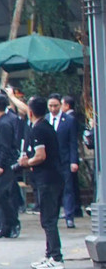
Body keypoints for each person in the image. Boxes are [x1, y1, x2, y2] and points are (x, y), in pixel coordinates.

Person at [19, 96, 64, 269]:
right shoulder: (45, 126)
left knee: (48, 219)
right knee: (47, 218)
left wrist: (26, 162)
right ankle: (49, 254)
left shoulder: (38, 130)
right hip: (52, 178)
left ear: (30, 112)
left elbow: (40, 156)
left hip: (48, 180)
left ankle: (56, 257)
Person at [0, 93, 23, 240]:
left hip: (5, 165)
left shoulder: (4, 123)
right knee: (0, 195)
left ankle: (13, 223)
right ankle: (5, 227)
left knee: (3, 195)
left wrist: (1, 164)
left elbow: (6, 146)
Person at [55, 95, 80, 227]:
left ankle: (69, 216)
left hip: (65, 160)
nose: (53, 108)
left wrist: (73, 161)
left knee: (68, 189)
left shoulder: (69, 120)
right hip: (51, 162)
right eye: (50, 106)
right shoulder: (47, 119)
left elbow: (72, 143)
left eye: (56, 106)